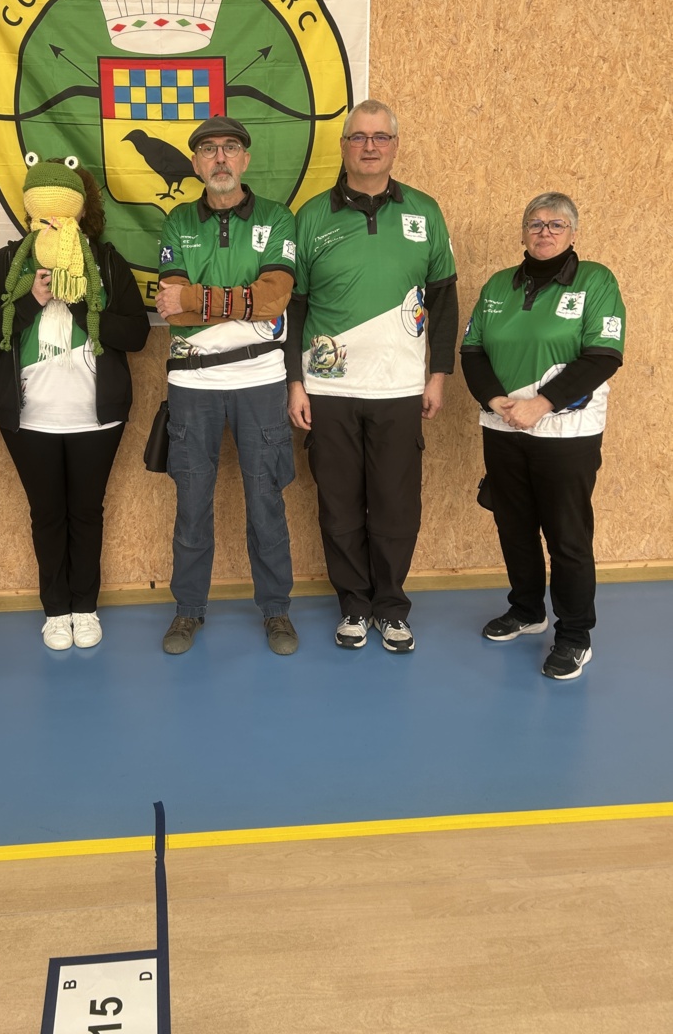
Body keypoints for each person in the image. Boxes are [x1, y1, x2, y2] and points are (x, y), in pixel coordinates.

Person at [286, 100, 458, 653]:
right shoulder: (311, 216)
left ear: (395, 146)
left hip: (400, 389)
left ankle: (391, 607)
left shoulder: (425, 212)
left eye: (380, 137)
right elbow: (294, 306)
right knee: (338, 505)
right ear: (343, 146)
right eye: (358, 137)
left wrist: (438, 374)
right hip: (328, 389)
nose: (369, 146)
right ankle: (354, 607)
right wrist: (295, 382)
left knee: (395, 504)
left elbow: (444, 300)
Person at [0, 155, 149, 651]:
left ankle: (85, 608)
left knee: (87, 512)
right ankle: (55, 611)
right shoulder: (10, 261)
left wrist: (84, 301)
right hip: (29, 418)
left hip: (97, 418)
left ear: (81, 210)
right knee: (47, 514)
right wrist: (31, 299)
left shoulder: (106, 262)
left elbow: (137, 335)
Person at [461, 192, 625, 680]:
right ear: (523, 232)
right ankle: (527, 610)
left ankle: (574, 635)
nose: (545, 232)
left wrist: (542, 404)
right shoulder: (498, 285)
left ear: (573, 233)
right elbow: (472, 350)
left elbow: (603, 355)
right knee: (513, 524)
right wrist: (495, 400)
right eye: (535, 223)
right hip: (503, 426)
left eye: (556, 224)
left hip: (566, 432)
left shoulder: (596, 280)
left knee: (567, 536)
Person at [156, 116, 299, 656]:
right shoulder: (177, 221)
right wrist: (239, 299)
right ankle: (188, 609)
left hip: (260, 378)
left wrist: (198, 298)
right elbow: (171, 308)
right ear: (196, 164)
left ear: (245, 159)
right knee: (192, 500)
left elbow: (274, 298)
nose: (220, 157)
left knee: (265, 498)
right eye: (209, 149)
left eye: (230, 147)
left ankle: (276, 609)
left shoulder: (276, 218)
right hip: (192, 381)